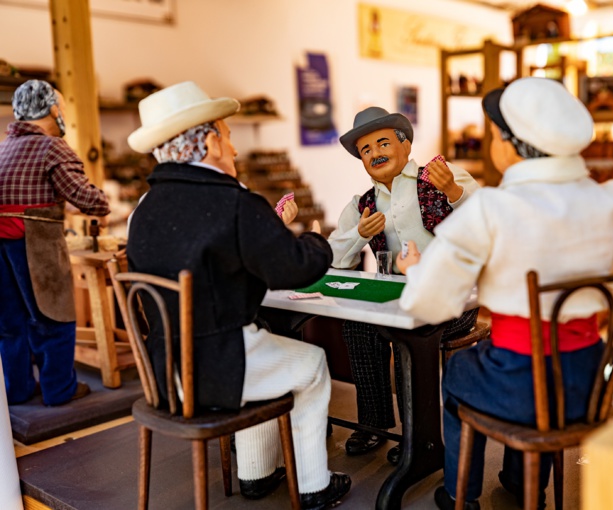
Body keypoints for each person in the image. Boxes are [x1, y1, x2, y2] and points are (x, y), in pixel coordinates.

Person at [396, 77, 613, 510]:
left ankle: (459, 496)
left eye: (492, 136)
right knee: (529, 383)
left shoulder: (493, 208)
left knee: (457, 375)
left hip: (518, 378)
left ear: (510, 144)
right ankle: (521, 483)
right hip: (587, 383)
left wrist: (416, 272)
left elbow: (430, 302)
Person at [125, 81, 350, 509]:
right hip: (219, 368)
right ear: (209, 142)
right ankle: (314, 484)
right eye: (227, 136)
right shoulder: (234, 202)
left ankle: (256, 473)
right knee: (309, 363)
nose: (232, 147)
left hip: (165, 373)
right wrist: (318, 241)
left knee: (266, 353)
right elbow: (294, 269)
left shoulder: (143, 211)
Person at [329, 106, 480, 464]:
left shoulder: (445, 176)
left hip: (455, 299)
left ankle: (418, 437)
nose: (375, 154)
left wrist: (454, 192)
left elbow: (486, 225)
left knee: (410, 335)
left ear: (406, 146)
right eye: (366, 150)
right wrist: (357, 235)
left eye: (382, 143)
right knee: (357, 324)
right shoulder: (362, 205)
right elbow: (337, 260)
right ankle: (375, 424)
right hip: (396, 300)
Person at [0, 80, 110, 406]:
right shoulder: (51, 147)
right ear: (51, 109)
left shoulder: (2, 148)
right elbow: (89, 199)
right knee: (53, 319)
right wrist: (98, 204)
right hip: (35, 246)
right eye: (61, 105)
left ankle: (18, 390)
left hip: (1, 247)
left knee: (10, 325)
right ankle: (58, 390)